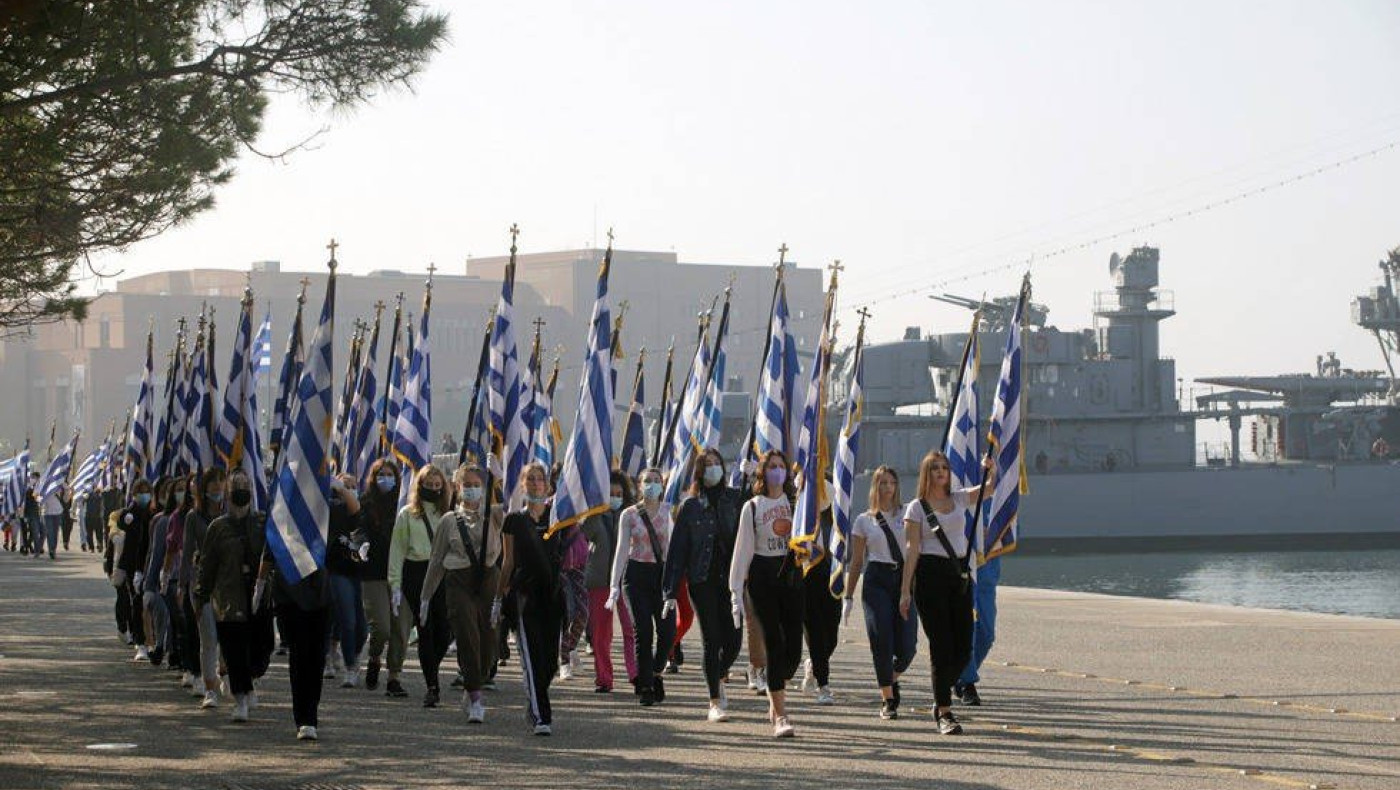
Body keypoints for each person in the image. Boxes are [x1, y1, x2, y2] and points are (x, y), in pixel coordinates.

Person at [898, 451, 993, 735]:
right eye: (935, 468)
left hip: (959, 575)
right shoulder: (916, 508)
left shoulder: (959, 498)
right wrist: (905, 591)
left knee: (964, 647)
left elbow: (988, 490)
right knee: (941, 646)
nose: (941, 472)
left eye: (945, 468)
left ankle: (940, 694)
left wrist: (991, 466)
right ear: (927, 473)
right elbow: (912, 550)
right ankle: (944, 711)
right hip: (929, 577)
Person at [663, 447, 743, 724]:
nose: (712, 468)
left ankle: (718, 674)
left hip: (731, 580)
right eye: (706, 464)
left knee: (733, 641)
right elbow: (678, 551)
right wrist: (670, 591)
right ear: (699, 471)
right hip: (701, 579)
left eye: (716, 462)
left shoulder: (736, 499)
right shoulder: (690, 506)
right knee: (712, 639)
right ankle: (714, 701)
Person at [422, 462, 503, 723]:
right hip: (458, 580)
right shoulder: (449, 521)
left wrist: (500, 478)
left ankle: (474, 682)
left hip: (488, 579)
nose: (471, 490)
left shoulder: (495, 514)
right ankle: (476, 696)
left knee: (489, 642)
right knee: (467, 635)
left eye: (476, 485)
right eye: (466, 485)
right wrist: (425, 596)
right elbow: (436, 560)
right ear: (458, 487)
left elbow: (518, 506)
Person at [729, 449, 803, 738]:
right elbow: (742, 550)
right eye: (771, 466)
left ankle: (776, 690)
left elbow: (829, 497)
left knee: (793, 649)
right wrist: (736, 591)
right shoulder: (753, 506)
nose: (776, 471)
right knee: (774, 642)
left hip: (792, 576)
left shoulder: (796, 503)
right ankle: (781, 714)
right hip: (762, 576)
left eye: (781, 466)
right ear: (763, 472)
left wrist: (808, 474)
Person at [194, 469, 275, 723]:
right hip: (228, 599)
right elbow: (207, 565)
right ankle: (240, 698)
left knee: (263, 647)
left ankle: (249, 681)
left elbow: (273, 557)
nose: (240, 491)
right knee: (234, 648)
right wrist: (201, 595)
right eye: (236, 487)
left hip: (259, 597)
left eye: (244, 487)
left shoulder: (262, 523)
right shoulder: (217, 528)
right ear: (228, 495)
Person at [844, 465, 919, 719]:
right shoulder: (864, 520)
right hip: (876, 580)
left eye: (892, 483)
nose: (888, 487)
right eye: (883, 483)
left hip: (904, 579)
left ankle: (891, 676)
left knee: (908, 647)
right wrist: (848, 596)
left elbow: (916, 547)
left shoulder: (908, 513)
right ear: (875, 487)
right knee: (881, 641)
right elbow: (856, 562)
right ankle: (887, 698)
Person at [498, 462, 566, 735]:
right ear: (523, 484)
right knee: (531, 657)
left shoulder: (559, 517)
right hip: (525, 597)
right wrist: (498, 598)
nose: (537, 484)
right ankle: (541, 716)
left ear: (548, 485)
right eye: (532, 479)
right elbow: (508, 561)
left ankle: (537, 699)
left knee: (549, 661)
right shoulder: (514, 520)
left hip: (553, 597)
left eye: (541, 479)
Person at [608, 467, 674, 706]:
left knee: (667, 632)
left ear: (663, 486)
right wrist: (614, 585)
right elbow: (621, 550)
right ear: (639, 485)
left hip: (663, 577)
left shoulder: (669, 512)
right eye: (648, 480)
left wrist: (674, 584)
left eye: (657, 481)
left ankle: (656, 672)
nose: (652, 484)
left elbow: (673, 550)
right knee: (643, 631)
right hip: (636, 577)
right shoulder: (629, 514)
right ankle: (645, 685)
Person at [388, 464, 452, 707]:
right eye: (429, 485)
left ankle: (430, 666)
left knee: (444, 632)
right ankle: (432, 686)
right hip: (417, 573)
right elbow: (397, 550)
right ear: (420, 486)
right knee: (426, 628)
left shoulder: (448, 513)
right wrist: (395, 584)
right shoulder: (407, 513)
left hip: (443, 573)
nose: (433, 489)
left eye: (438, 486)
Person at [355, 458, 410, 696]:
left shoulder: (405, 504)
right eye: (380, 474)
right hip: (374, 574)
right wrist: (362, 544)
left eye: (389, 474)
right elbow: (357, 529)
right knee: (382, 629)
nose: (385, 479)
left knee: (400, 629)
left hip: (402, 574)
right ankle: (375, 656)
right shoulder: (365, 502)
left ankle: (394, 677)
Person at [270, 538, 333, 741]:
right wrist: (261, 582)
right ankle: (305, 719)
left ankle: (311, 712)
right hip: (291, 592)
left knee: (316, 657)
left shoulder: (329, 509)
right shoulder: (283, 508)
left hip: (321, 593)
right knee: (299, 655)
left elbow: (354, 512)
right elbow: (271, 541)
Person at [581, 471, 637, 694]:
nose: (615, 497)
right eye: (610, 494)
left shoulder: (632, 515)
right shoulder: (595, 515)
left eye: (618, 494)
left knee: (631, 630)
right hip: (599, 581)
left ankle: (635, 674)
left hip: (626, 581)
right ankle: (604, 678)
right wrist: (596, 510)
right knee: (601, 634)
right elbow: (583, 533)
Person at [182, 467, 227, 707]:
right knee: (208, 637)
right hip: (202, 585)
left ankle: (225, 672)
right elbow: (187, 551)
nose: (218, 487)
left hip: (228, 586)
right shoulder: (194, 517)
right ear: (204, 486)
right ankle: (209, 689)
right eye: (213, 482)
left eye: (222, 481)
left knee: (227, 636)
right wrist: (181, 586)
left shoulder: (232, 515)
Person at [799, 478, 841, 706]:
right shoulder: (799, 516)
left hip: (831, 578)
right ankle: (823, 685)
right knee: (814, 633)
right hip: (806, 580)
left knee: (831, 638)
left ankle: (813, 666)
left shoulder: (834, 518)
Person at [326, 473, 366, 689]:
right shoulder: (334, 507)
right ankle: (350, 667)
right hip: (337, 571)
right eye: (344, 486)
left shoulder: (361, 508)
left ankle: (349, 653)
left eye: (352, 486)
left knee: (362, 628)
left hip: (359, 572)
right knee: (347, 621)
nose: (349, 490)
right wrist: (339, 489)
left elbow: (358, 510)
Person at [116, 479, 155, 661]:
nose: (144, 495)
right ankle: (140, 642)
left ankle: (154, 640)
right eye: (140, 492)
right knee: (137, 602)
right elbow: (122, 523)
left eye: (147, 492)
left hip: (152, 563)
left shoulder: (154, 513)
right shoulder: (129, 512)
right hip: (133, 565)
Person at [40, 481, 64, 559]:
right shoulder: (43, 489)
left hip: (57, 512)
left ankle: (53, 549)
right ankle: (51, 550)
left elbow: (65, 498)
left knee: (55, 532)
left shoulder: (58, 487)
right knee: (50, 532)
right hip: (47, 513)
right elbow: (38, 499)